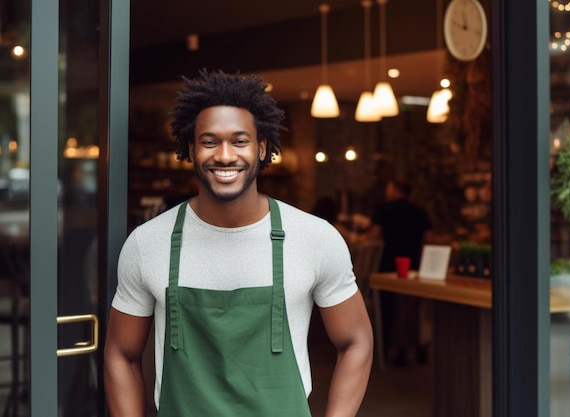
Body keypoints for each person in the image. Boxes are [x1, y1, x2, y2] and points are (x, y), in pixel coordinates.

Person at [104, 70, 373, 416]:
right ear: (191, 149)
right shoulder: (148, 243)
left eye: (240, 141)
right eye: (210, 141)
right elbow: (120, 354)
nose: (225, 156)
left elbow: (356, 341)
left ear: (262, 148)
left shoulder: (314, 238)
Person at [369, 177, 432, 366]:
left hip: (389, 265)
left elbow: (373, 236)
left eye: (389, 187)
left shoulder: (384, 211)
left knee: (388, 308)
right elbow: (430, 238)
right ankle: (417, 349)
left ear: (396, 190)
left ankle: (392, 351)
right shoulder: (419, 211)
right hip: (414, 265)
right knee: (413, 309)